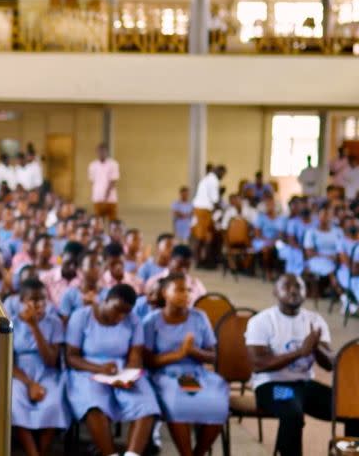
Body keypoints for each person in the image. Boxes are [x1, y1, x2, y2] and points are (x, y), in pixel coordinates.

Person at [246, 274, 359, 456]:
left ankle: (351, 452)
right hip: (272, 386)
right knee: (292, 414)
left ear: (306, 292)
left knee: (354, 408)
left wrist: (316, 348)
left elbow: (330, 365)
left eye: (299, 286)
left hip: (305, 386)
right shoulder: (261, 321)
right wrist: (299, 352)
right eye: (287, 286)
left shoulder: (315, 321)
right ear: (275, 291)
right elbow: (258, 364)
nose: (293, 290)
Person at [65, 284, 159, 456]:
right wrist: (99, 368)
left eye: (126, 312)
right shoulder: (81, 317)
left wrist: (129, 376)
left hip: (121, 369)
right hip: (87, 370)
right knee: (94, 405)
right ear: (106, 300)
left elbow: (135, 355)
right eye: (117, 310)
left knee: (146, 405)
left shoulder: (134, 320)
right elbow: (71, 357)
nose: (120, 316)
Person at [142, 273, 227, 456]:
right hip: (165, 375)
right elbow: (148, 361)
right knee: (179, 397)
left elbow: (212, 356)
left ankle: (199, 453)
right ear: (165, 292)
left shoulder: (199, 317)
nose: (186, 294)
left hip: (196, 373)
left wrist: (193, 352)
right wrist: (179, 354)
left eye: (189, 290)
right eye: (180, 290)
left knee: (218, 399)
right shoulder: (152, 321)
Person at [10, 278, 71, 456]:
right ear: (22, 301)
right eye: (33, 300)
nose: (39, 305)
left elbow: (51, 361)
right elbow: (8, 362)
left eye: (43, 299)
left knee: (53, 403)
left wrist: (35, 327)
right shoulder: (11, 322)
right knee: (15, 403)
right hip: (19, 374)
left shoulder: (54, 323)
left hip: (47, 372)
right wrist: (30, 384)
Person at [192, 165, 226, 267]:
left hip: (203, 210)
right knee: (200, 237)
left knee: (207, 237)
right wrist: (222, 209)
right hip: (203, 210)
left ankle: (205, 260)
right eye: (223, 174)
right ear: (219, 172)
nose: (223, 177)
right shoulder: (213, 180)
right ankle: (199, 262)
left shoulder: (207, 179)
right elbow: (215, 200)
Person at [88, 143, 120, 221]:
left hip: (111, 198)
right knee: (99, 220)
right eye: (99, 151)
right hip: (97, 197)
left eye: (104, 151)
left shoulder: (113, 164)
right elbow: (92, 181)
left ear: (107, 152)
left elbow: (113, 180)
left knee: (112, 220)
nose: (101, 153)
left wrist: (106, 196)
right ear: (97, 152)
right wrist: (98, 194)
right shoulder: (92, 165)